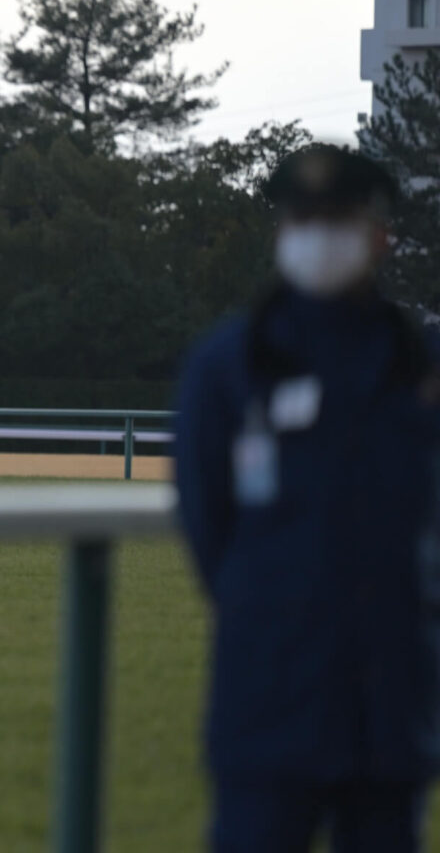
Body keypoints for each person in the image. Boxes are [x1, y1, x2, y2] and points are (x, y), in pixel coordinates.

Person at [173, 144, 440, 853]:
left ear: (379, 235)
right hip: (268, 698)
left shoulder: (417, 364)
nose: (320, 234)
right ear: (281, 232)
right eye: (305, 217)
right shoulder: (227, 366)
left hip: (389, 705)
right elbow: (207, 527)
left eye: (339, 217)